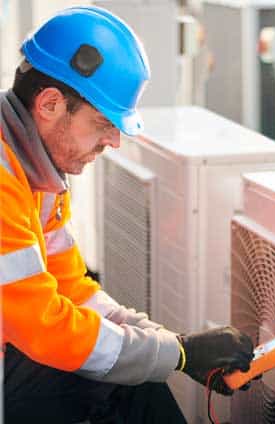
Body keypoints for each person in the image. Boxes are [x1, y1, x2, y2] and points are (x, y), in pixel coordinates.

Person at [0, 6, 254, 423]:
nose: (114, 141)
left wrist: (175, 344)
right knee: (107, 377)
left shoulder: (35, 172)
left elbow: (73, 290)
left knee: (125, 371)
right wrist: (178, 354)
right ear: (49, 104)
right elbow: (47, 329)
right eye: (102, 123)